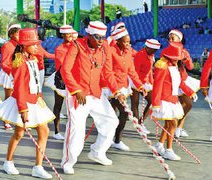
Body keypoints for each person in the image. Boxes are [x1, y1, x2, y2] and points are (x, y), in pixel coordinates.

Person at [60, 21, 124, 174]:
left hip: (95, 92)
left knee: (111, 121)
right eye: (97, 37)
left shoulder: (105, 48)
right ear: (89, 35)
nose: (101, 41)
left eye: (103, 37)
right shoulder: (76, 46)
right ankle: (68, 162)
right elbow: (65, 70)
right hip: (78, 94)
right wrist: (76, 90)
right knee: (76, 129)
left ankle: (97, 152)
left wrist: (117, 91)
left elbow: (108, 72)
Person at [0, 28, 55, 178]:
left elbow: (35, 82)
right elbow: (20, 88)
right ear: (23, 45)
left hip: (35, 100)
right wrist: (23, 110)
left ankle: (38, 166)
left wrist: (40, 97)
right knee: (19, 133)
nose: (37, 46)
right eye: (33, 44)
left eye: (37, 44)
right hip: (23, 103)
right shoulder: (20, 63)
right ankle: (8, 162)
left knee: (44, 131)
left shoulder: (32, 59)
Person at [153, 42, 196, 161]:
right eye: (176, 59)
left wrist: (190, 92)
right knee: (172, 124)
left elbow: (180, 82)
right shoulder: (162, 67)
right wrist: (156, 103)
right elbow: (157, 85)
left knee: (169, 124)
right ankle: (169, 150)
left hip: (173, 99)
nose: (177, 61)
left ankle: (160, 144)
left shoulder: (175, 67)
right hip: (165, 100)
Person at [108, 28, 147, 151]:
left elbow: (131, 71)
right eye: (125, 42)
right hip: (111, 87)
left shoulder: (128, 51)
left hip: (123, 86)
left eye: (129, 42)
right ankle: (112, 139)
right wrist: (116, 91)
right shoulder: (111, 51)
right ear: (118, 41)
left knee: (122, 114)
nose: (127, 44)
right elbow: (108, 72)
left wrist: (140, 86)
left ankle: (116, 140)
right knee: (118, 113)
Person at [167, 29, 200, 138]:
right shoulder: (167, 51)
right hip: (173, 81)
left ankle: (178, 128)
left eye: (173, 38)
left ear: (179, 39)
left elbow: (190, 67)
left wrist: (186, 59)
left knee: (187, 105)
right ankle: (173, 128)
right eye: (169, 38)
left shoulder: (184, 51)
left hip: (183, 80)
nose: (170, 40)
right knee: (182, 106)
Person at [44, 25, 74, 140]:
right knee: (58, 105)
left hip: (73, 78)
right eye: (68, 34)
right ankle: (56, 131)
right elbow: (63, 66)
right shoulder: (60, 48)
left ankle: (71, 131)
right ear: (62, 35)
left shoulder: (75, 46)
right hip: (61, 78)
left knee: (72, 107)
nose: (70, 36)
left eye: (71, 34)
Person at [131, 39, 161, 134]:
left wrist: (151, 84)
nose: (155, 52)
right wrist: (140, 85)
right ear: (147, 47)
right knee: (135, 104)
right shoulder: (139, 55)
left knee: (152, 101)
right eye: (153, 50)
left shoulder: (151, 55)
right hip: (135, 81)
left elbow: (149, 72)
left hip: (146, 81)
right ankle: (138, 126)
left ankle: (141, 122)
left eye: (156, 50)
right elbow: (135, 72)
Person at [0, 23, 21, 130]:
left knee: (20, 98)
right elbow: (4, 63)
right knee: (9, 98)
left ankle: (19, 121)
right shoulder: (7, 45)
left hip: (19, 72)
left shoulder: (21, 45)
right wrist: (12, 73)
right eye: (17, 34)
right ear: (11, 34)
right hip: (9, 74)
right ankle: (6, 120)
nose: (19, 36)